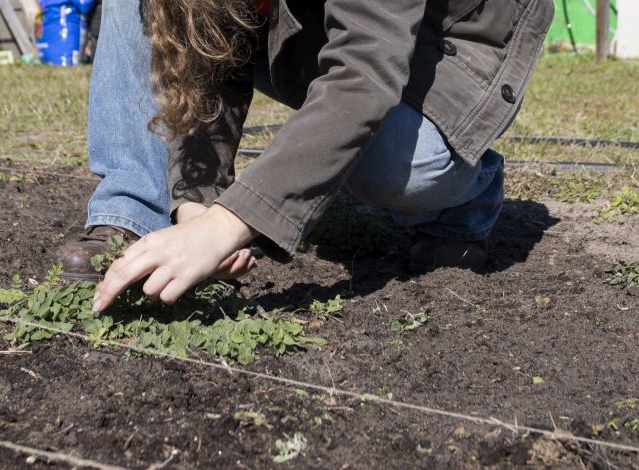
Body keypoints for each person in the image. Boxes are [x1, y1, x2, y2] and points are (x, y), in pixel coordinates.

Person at [56, 0, 553, 312]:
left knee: (389, 159)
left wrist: (226, 227)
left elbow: (364, 73)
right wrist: (195, 205)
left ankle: (465, 196)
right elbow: (209, 45)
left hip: (444, 43)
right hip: (312, 18)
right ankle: (137, 214)